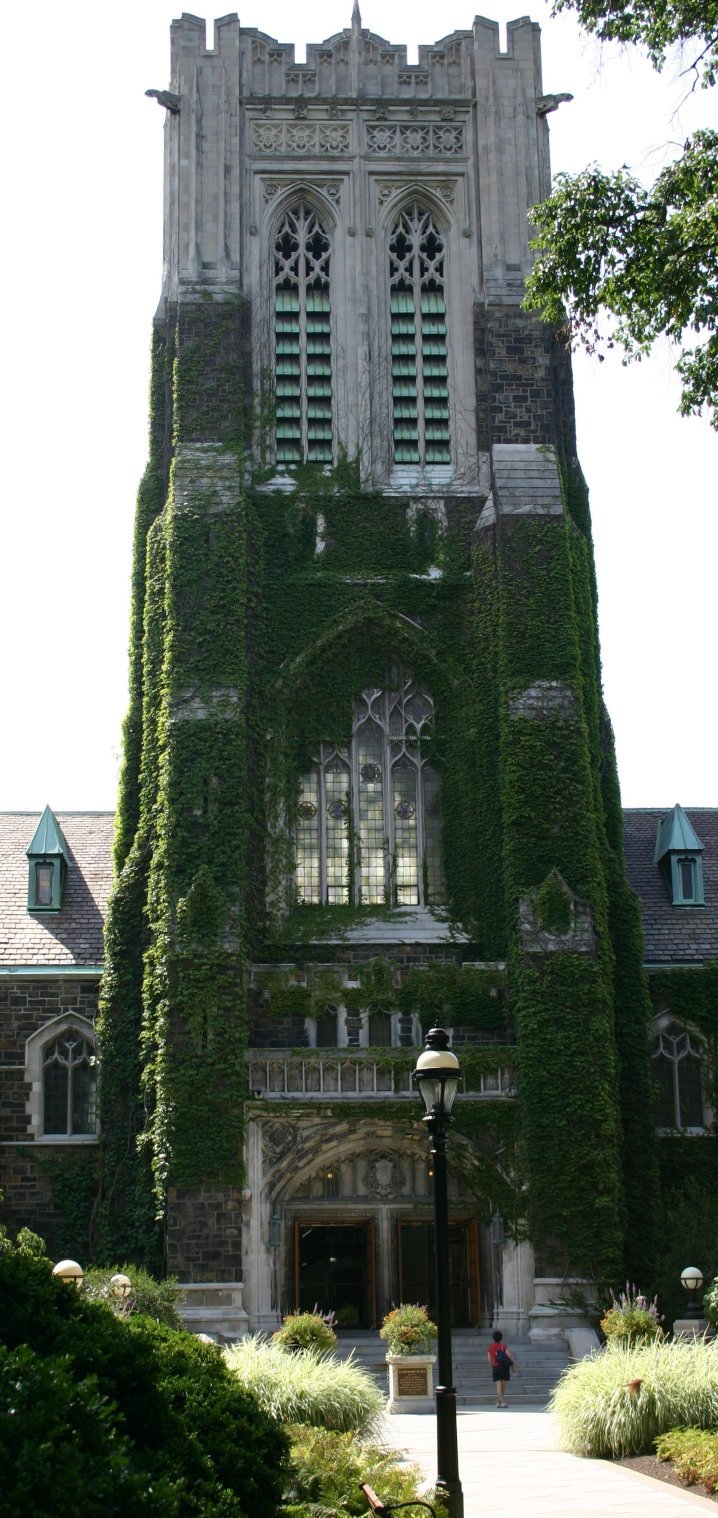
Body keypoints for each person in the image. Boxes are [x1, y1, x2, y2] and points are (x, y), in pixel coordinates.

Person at [487, 1329, 514, 1407]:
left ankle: (499, 1402)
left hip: (495, 1367)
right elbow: (510, 1356)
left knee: (498, 1386)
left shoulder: (490, 1348)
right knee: (503, 1386)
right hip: (504, 1367)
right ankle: (502, 1403)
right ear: (501, 1338)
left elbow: (489, 1359)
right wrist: (512, 1366)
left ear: (493, 1338)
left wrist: (492, 1367)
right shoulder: (503, 1346)